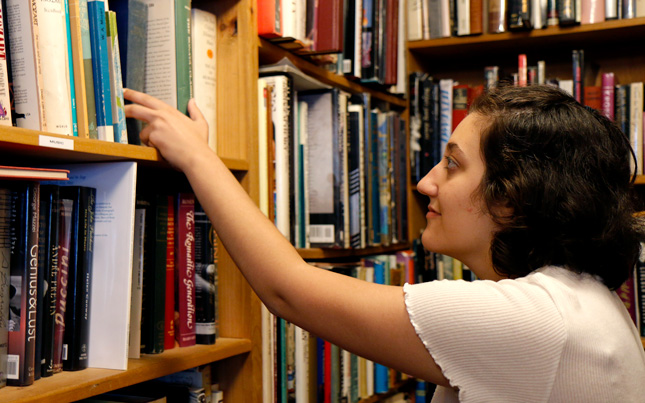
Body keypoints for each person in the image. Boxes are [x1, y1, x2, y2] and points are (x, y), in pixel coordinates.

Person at [124, 84, 645, 402]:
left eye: (453, 165)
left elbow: (289, 291)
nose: (425, 183)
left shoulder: (536, 320)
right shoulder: (580, 301)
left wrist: (197, 158)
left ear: (512, 199)